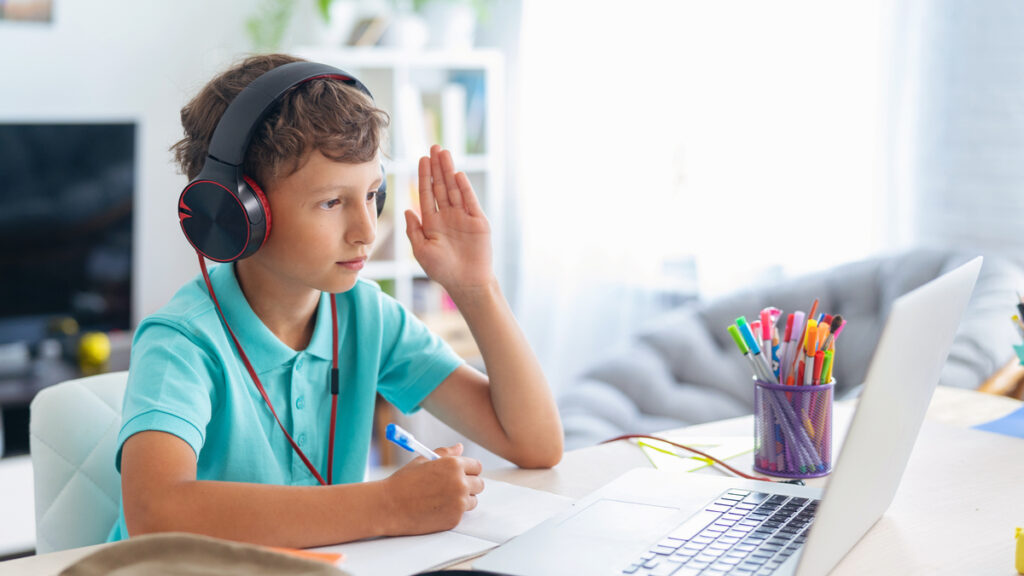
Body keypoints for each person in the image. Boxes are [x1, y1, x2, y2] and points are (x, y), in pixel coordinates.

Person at [108, 53, 563, 548]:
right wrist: (388, 505)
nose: (367, 230)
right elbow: (155, 511)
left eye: (371, 194)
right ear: (239, 212)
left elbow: (534, 444)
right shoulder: (184, 342)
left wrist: (477, 289)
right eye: (331, 202)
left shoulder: (367, 317)